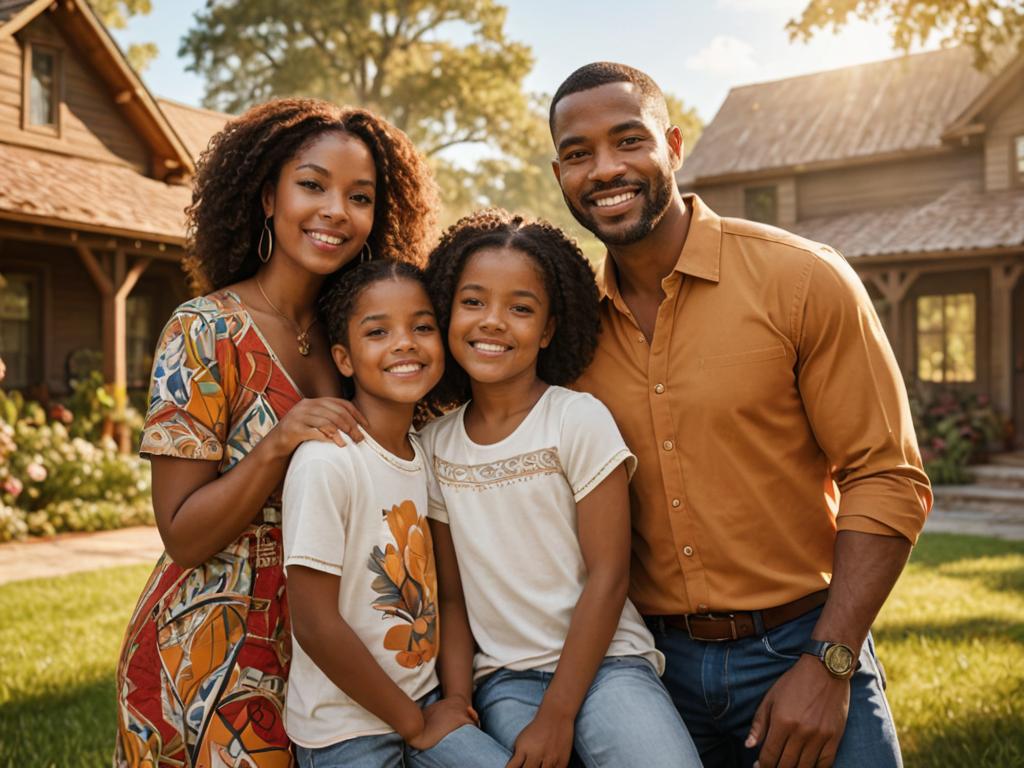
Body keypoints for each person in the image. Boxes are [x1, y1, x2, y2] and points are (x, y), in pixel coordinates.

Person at [547, 63, 932, 768]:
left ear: (673, 145)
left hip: (804, 642)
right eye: (579, 154)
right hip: (644, 667)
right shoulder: (561, 324)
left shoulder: (801, 280)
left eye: (628, 141)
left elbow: (886, 475)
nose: (605, 169)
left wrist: (830, 660)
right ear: (558, 173)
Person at [113, 98, 436, 767]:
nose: (335, 212)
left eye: (360, 196)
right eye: (312, 185)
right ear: (267, 196)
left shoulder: (362, 335)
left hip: (335, 657)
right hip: (210, 657)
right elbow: (181, 532)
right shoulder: (203, 332)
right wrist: (278, 443)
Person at [419, 209, 701, 768]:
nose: (493, 322)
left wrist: (558, 713)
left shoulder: (576, 420)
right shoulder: (432, 445)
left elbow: (609, 575)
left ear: (548, 329)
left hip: (607, 663)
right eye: (473, 302)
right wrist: (456, 697)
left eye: (520, 309)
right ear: (448, 311)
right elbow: (451, 597)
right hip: (505, 679)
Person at [281, 260, 512, 768]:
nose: (404, 342)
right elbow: (315, 624)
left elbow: (448, 596)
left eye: (422, 327)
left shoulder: (424, 456)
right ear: (344, 359)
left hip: (427, 704)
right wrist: (414, 724)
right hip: (344, 731)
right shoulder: (328, 461)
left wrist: (454, 698)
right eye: (378, 331)